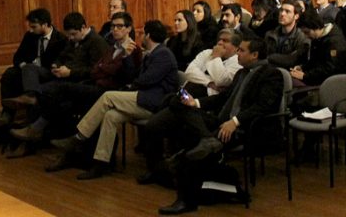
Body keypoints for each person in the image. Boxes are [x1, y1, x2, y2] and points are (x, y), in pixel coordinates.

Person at [145, 38, 283, 215]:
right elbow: (223, 98)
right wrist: (196, 103)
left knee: (194, 149)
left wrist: (235, 122)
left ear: (255, 55)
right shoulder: (242, 73)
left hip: (247, 128)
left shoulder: (271, 75)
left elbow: (263, 107)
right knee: (178, 103)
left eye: (242, 50)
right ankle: (207, 138)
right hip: (221, 121)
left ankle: (186, 200)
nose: (237, 53)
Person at [50, 20, 179, 180]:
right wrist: (126, 56)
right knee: (110, 116)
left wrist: (131, 85)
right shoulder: (152, 53)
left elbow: (146, 80)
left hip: (155, 103)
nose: (140, 36)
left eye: (142, 33)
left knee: (108, 96)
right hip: (144, 99)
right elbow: (134, 75)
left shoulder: (163, 54)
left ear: (149, 35)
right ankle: (101, 163)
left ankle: (79, 137)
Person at [7, 12, 141, 143]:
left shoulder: (129, 49)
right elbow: (96, 69)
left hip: (107, 89)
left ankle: (36, 125)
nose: (115, 29)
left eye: (119, 26)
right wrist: (56, 65)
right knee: (41, 84)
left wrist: (76, 72)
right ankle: (35, 124)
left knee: (54, 90)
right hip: (91, 82)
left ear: (129, 28)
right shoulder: (113, 47)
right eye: (113, 26)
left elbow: (121, 74)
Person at [0, 8, 67, 147]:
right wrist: (24, 66)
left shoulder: (60, 39)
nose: (31, 30)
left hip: (47, 73)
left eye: (34, 27)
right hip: (28, 72)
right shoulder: (30, 36)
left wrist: (34, 67)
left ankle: (30, 96)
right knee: (9, 74)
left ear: (45, 24)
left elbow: (60, 61)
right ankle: (7, 114)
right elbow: (17, 57)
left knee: (30, 71)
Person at [289, 10, 346, 87]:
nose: (306, 36)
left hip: (330, 84)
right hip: (316, 78)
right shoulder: (318, 37)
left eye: (307, 32)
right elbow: (315, 61)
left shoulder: (335, 42)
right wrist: (303, 67)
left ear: (316, 26)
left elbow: (330, 69)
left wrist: (305, 76)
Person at [183, 29, 242, 97]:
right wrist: (210, 83)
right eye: (219, 39)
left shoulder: (238, 62)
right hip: (186, 92)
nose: (219, 42)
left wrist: (217, 57)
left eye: (225, 41)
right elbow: (189, 72)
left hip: (206, 99)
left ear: (236, 48)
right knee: (176, 97)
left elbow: (221, 81)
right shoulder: (207, 52)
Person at [264, 0, 310, 70]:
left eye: (287, 11)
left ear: (296, 16)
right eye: (281, 10)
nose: (282, 14)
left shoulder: (301, 37)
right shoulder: (270, 35)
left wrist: (271, 58)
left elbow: (293, 60)